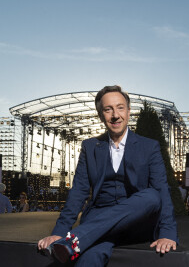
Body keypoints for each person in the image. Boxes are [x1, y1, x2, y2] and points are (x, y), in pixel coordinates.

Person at [38, 85, 177, 266]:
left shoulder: (149, 146)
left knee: (152, 196)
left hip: (137, 223)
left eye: (120, 107)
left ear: (128, 112)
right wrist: (59, 230)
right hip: (98, 222)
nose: (115, 115)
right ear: (100, 115)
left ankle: (75, 239)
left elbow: (162, 191)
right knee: (89, 258)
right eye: (108, 109)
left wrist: (167, 233)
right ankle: (75, 242)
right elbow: (79, 191)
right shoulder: (90, 146)